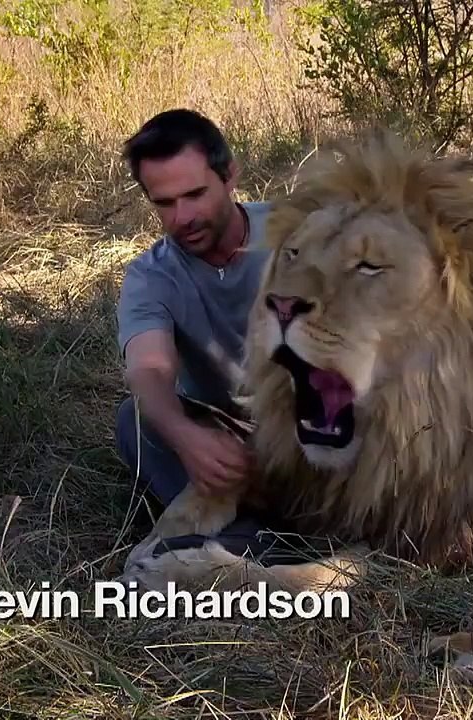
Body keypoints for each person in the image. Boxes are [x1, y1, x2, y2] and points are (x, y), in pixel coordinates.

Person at [113, 108, 271, 525]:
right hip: (228, 440)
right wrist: (186, 438)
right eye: (164, 203)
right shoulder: (151, 276)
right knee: (137, 421)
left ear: (230, 176)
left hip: (310, 425)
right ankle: (243, 538)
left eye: (195, 195)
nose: (182, 218)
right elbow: (149, 370)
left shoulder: (298, 234)